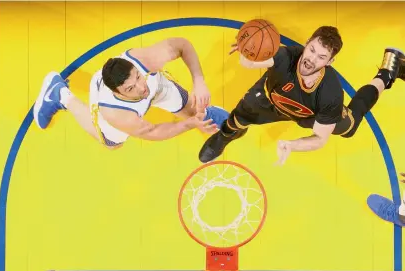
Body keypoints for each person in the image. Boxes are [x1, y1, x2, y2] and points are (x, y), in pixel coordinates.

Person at [198, 26, 405, 164]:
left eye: (321, 57)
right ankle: (223, 137)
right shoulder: (285, 56)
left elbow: (320, 139)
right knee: (238, 117)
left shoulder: (330, 94)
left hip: (309, 116)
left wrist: (293, 145)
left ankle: (386, 74)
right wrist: (247, 52)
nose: (311, 59)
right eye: (312, 50)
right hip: (270, 98)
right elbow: (251, 63)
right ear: (307, 43)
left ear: (330, 62)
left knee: (351, 125)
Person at [33, 37, 229, 149]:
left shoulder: (144, 61)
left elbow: (182, 45)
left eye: (137, 77)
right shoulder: (116, 113)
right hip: (122, 108)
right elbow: (152, 131)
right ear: (118, 92)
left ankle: (205, 117)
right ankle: (60, 94)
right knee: (113, 143)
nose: (140, 87)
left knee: (195, 111)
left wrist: (199, 81)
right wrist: (188, 125)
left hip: (157, 86)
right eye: (130, 88)